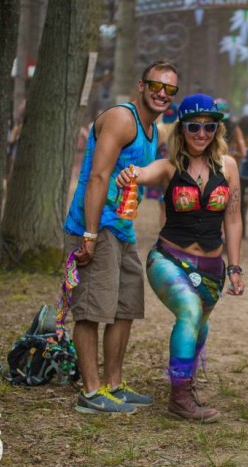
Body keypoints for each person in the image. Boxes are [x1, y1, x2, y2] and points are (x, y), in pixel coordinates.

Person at [116, 93, 244, 422]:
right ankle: (180, 398)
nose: (201, 134)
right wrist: (127, 175)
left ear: (217, 129)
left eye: (209, 127)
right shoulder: (169, 166)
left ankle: (182, 380)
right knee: (188, 311)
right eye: (193, 126)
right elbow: (141, 173)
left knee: (199, 326)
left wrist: (235, 266)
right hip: (168, 260)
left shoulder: (228, 167)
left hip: (213, 268)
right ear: (181, 129)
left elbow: (233, 218)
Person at [63, 59, 179, 414]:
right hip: (95, 227)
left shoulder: (151, 130)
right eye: (156, 86)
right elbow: (98, 177)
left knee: (125, 306)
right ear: (141, 86)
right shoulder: (122, 119)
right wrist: (90, 233)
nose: (162, 94)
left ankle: (114, 385)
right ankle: (91, 391)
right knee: (90, 308)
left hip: (122, 229)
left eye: (169, 89)